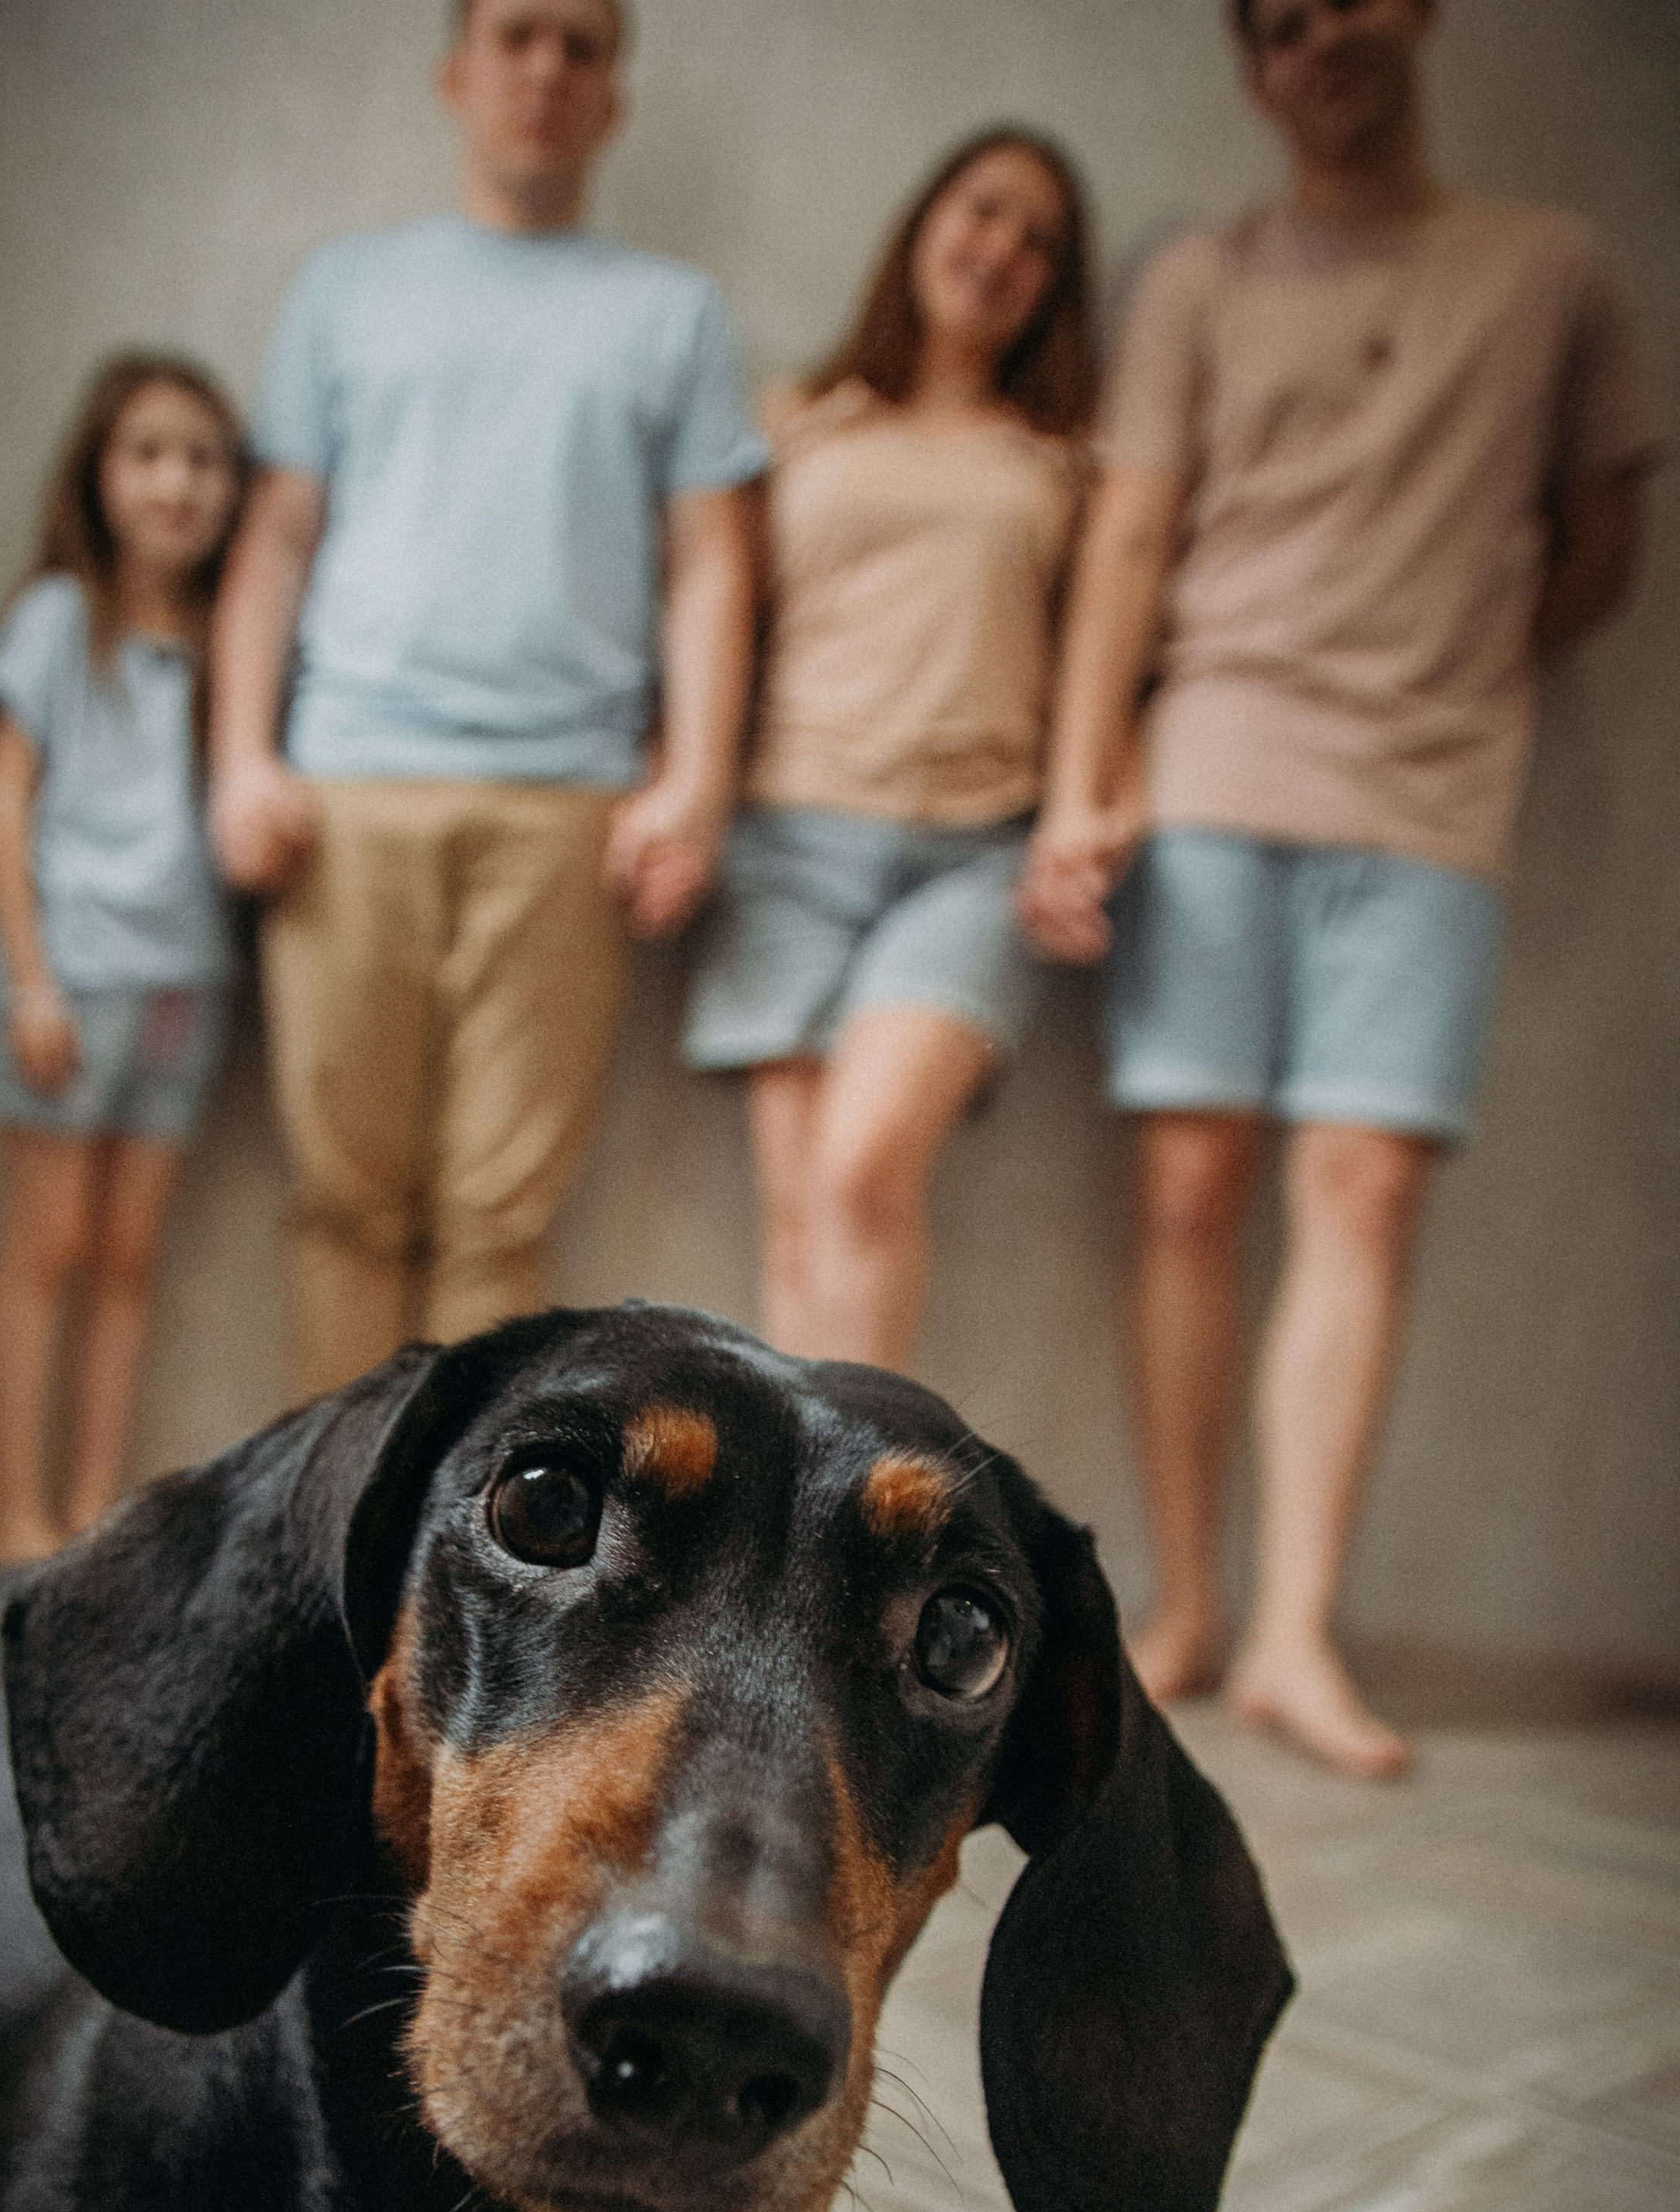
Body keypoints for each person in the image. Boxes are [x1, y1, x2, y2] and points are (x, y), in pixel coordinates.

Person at [1024, 0, 1659, 1778]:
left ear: (1418, 18)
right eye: (1280, 25)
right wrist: (1085, 780)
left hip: (1432, 804)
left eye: (1346, 5)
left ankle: (1299, 1626)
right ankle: (1192, 1605)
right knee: (1187, 1189)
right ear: (1252, 68)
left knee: (1362, 1194)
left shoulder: (1550, 269)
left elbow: (1602, 540)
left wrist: (1454, 671)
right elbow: (1127, 540)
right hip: (1211, 771)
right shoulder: (1196, 282)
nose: (1322, 41)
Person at [210, 0, 763, 1395]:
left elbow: (710, 561)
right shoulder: (345, 290)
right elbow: (276, 538)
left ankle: (456, 1587)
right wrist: (241, 757)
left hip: (568, 807)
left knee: (500, 1223)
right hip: (348, 791)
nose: (548, 70)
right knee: (344, 1202)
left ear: (613, 99)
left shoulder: (671, 314)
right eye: (520, 36)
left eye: (584, 47)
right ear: (458, 74)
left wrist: (692, 784)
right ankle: (330, 1572)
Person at [684, 127, 1096, 1369]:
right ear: (924, 221)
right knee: (802, 1222)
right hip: (788, 841)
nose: (1002, 251)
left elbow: (1105, 673)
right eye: (984, 211)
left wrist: (1094, 817)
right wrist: (677, 799)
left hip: (974, 858)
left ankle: (861, 1538)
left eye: (1040, 241)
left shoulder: (1065, 459)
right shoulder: (796, 421)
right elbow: (715, 626)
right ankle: (791, 1547)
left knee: (864, 1172)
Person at [0, 353, 247, 1564]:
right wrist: (32, 975)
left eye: (202, 457)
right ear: (99, 474)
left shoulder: (229, 643)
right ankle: (11, 1510)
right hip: (70, 977)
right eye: (147, 454)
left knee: (129, 1255)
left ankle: (91, 1502)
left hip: (186, 983)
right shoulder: (52, 622)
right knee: (48, 1248)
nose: (176, 483)